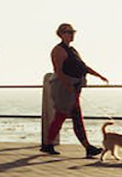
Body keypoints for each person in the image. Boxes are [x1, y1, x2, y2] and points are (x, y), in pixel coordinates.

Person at [41, 23, 106, 157]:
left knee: (73, 117)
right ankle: (49, 144)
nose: (71, 35)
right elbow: (58, 71)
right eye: (68, 32)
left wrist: (98, 75)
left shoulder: (72, 50)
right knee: (61, 116)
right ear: (61, 34)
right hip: (64, 88)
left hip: (73, 87)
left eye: (72, 32)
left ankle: (86, 147)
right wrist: (68, 86)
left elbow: (83, 66)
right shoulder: (58, 50)